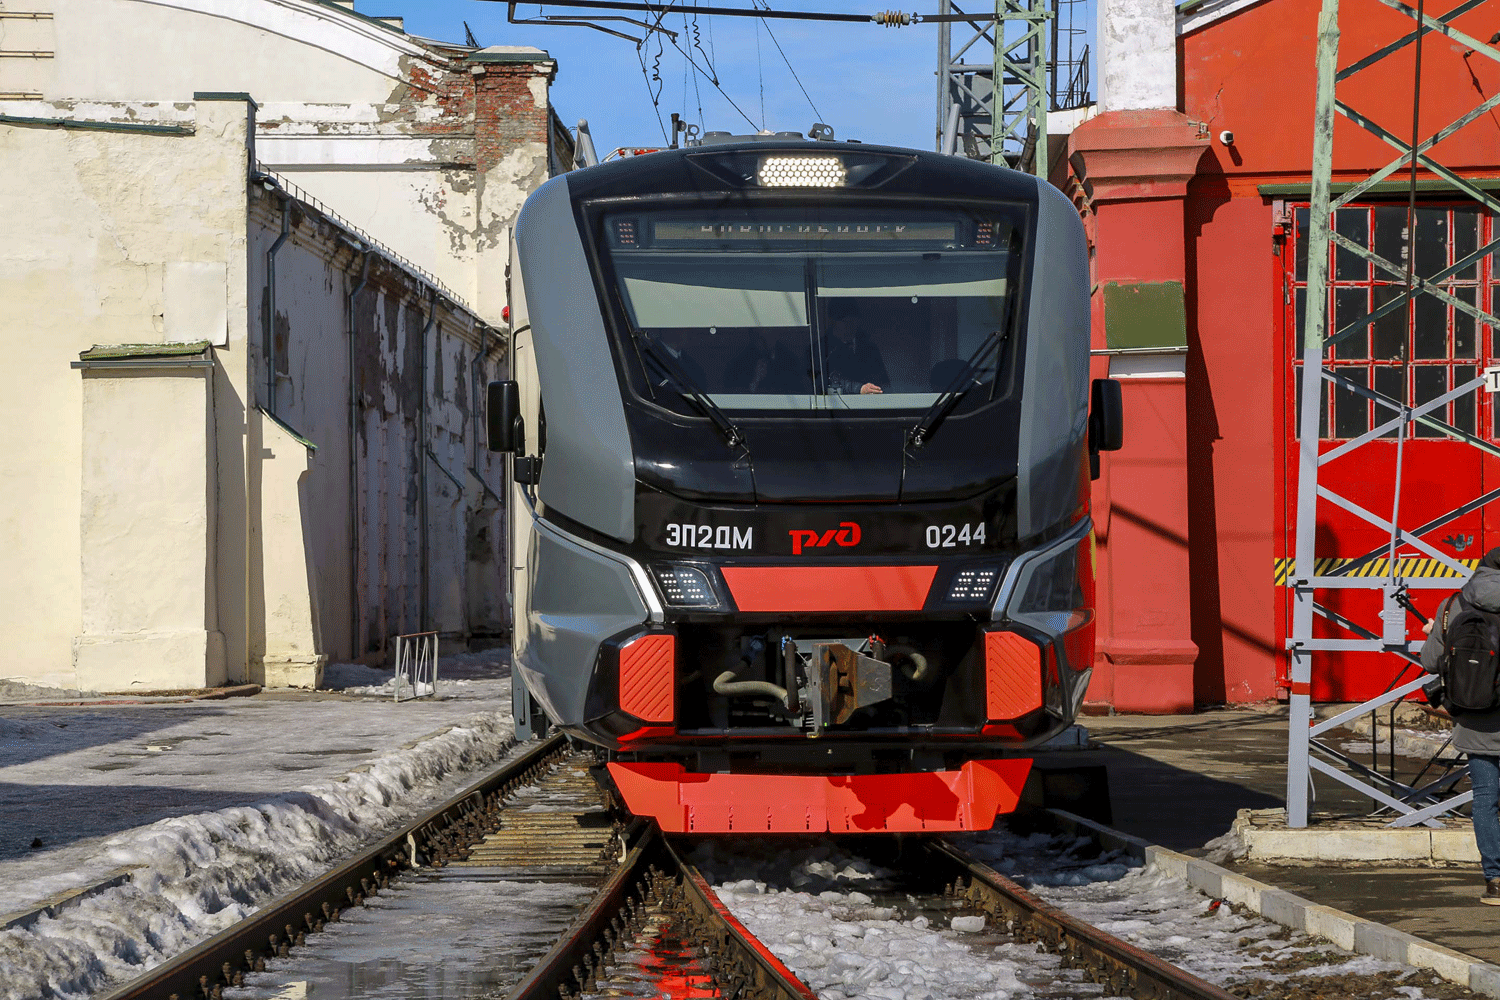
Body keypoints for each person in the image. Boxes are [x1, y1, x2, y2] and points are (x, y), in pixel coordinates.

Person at [1420, 545, 1500, 905]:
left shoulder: (1453, 605)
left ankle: (1495, 881)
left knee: (1486, 800)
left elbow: (1431, 661)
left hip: (1475, 720)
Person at [821, 301, 888, 395]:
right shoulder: (820, 350)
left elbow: (884, 382)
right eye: (845, 322)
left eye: (853, 322)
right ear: (833, 322)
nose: (850, 327)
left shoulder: (870, 349)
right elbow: (821, 383)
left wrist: (875, 389)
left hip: (870, 406)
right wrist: (858, 389)